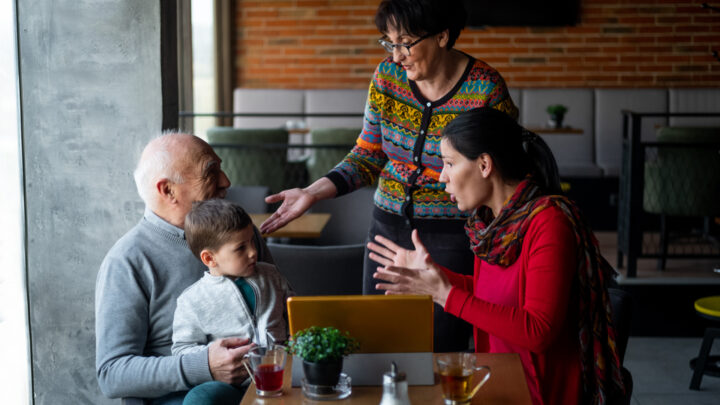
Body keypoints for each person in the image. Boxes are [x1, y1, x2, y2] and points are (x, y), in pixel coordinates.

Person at [260, 0, 517, 353]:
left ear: (442, 36)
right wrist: (313, 192)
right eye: (389, 42)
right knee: (378, 342)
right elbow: (367, 154)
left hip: (452, 238)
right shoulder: (387, 77)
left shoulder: (484, 90)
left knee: (439, 348)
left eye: (405, 42)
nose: (397, 56)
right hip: (387, 230)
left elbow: (501, 173)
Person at [368, 107, 626, 405]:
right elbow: (492, 294)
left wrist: (445, 294)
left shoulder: (549, 223)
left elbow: (538, 330)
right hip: (499, 379)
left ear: (484, 165)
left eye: (450, 163)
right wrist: (434, 278)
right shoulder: (491, 225)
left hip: (538, 393)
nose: (442, 177)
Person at [95, 132, 274, 404]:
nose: (226, 181)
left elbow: (280, 307)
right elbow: (112, 373)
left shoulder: (243, 237)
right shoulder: (127, 261)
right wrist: (204, 367)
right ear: (168, 190)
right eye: (211, 173)